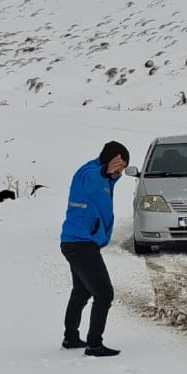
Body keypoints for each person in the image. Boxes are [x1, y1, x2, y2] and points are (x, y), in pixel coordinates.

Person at [59, 141, 129, 357]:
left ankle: (71, 338)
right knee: (104, 293)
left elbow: (102, 185)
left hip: (78, 241)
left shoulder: (106, 179)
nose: (121, 170)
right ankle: (94, 345)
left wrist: (111, 174)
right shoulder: (88, 173)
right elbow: (92, 179)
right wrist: (105, 170)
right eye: (119, 164)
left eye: (124, 166)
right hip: (81, 243)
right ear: (110, 160)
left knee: (82, 291)